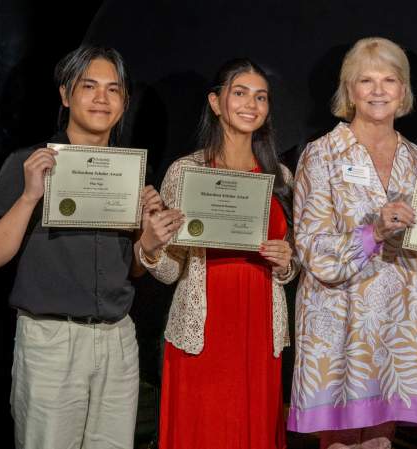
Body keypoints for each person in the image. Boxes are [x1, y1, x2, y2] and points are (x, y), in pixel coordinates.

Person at [0, 46, 161, 449]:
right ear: (65, 94)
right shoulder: (29, 163)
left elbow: (132, 269)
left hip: (117, 340)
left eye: (113, 89)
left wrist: (148, 240)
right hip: (51, 341)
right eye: (89, 86)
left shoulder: (131, 173)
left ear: (125, 102)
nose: (101, 98)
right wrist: (29, 196)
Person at [288, 37, 417, 449]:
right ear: (349, 90)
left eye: (389, 80)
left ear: (403, 90)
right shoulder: (322, 155)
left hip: (399, 328)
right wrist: (373, 233)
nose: (378, 91)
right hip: (339, 324)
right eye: (366, 80)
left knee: (381, 442)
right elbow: (313, 249)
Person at [137, 58, 298, 449]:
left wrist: (286, 262)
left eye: (261, 97)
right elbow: (170, 271)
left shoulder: (280, 177)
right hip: (204, 333)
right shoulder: (185, 171)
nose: (251, 104)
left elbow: (290, 265)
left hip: (259, 331)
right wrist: (151, 244)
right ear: (215, 102)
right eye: (239, 93)